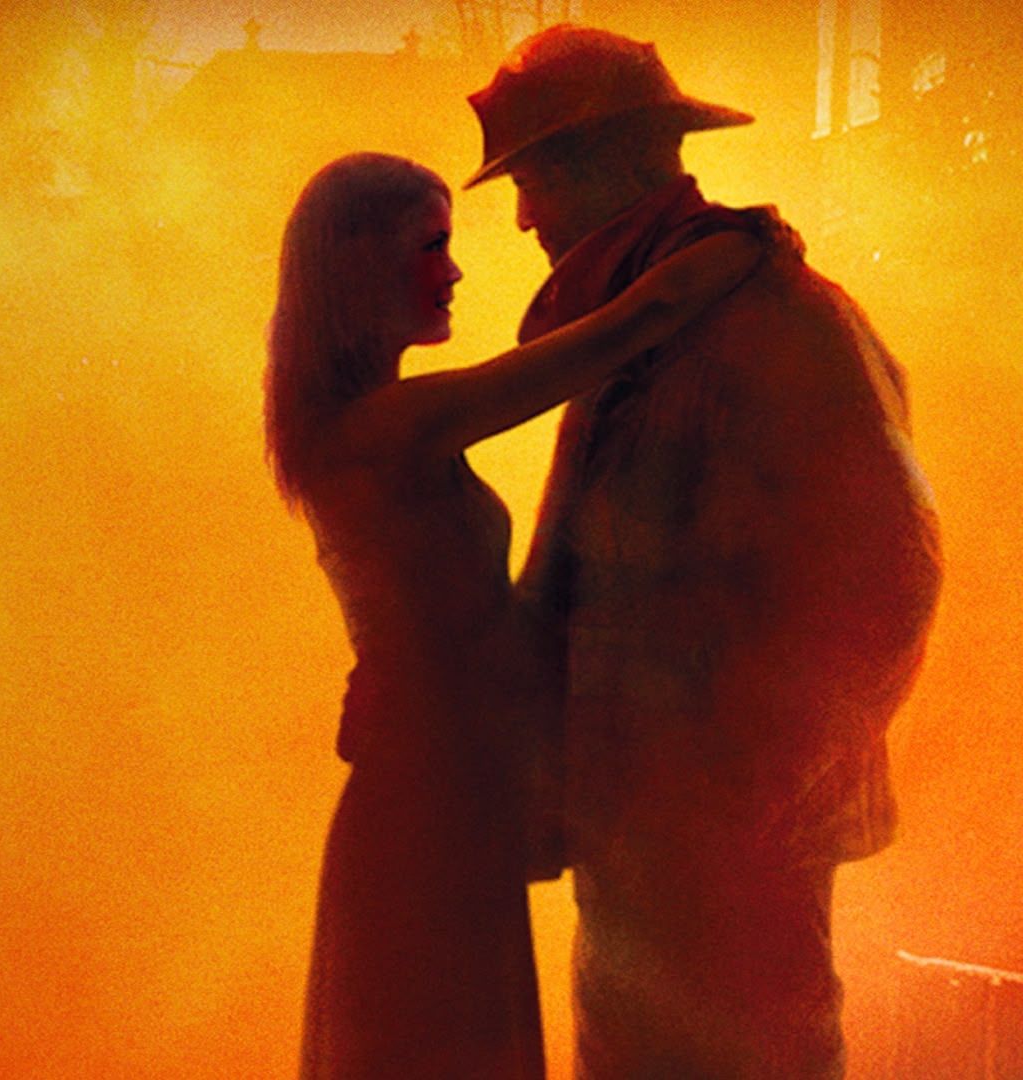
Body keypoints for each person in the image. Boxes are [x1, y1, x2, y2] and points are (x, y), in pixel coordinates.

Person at [461, 25, 944, 1077]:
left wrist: (744, 801)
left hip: (724, 847)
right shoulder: (655, 326)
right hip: (643, 830)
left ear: (607, 164)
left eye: (534, 182)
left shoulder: (776, 322)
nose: (524, 219)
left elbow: (888, 575)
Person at [266, 152, 766, 1079]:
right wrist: (745, 242)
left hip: (442, 790)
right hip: (425, 802)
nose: (455, 270)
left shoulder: (366, 426)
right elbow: (627, 329)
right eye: (431, 246)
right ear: (361, 265)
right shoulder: (389, 428)